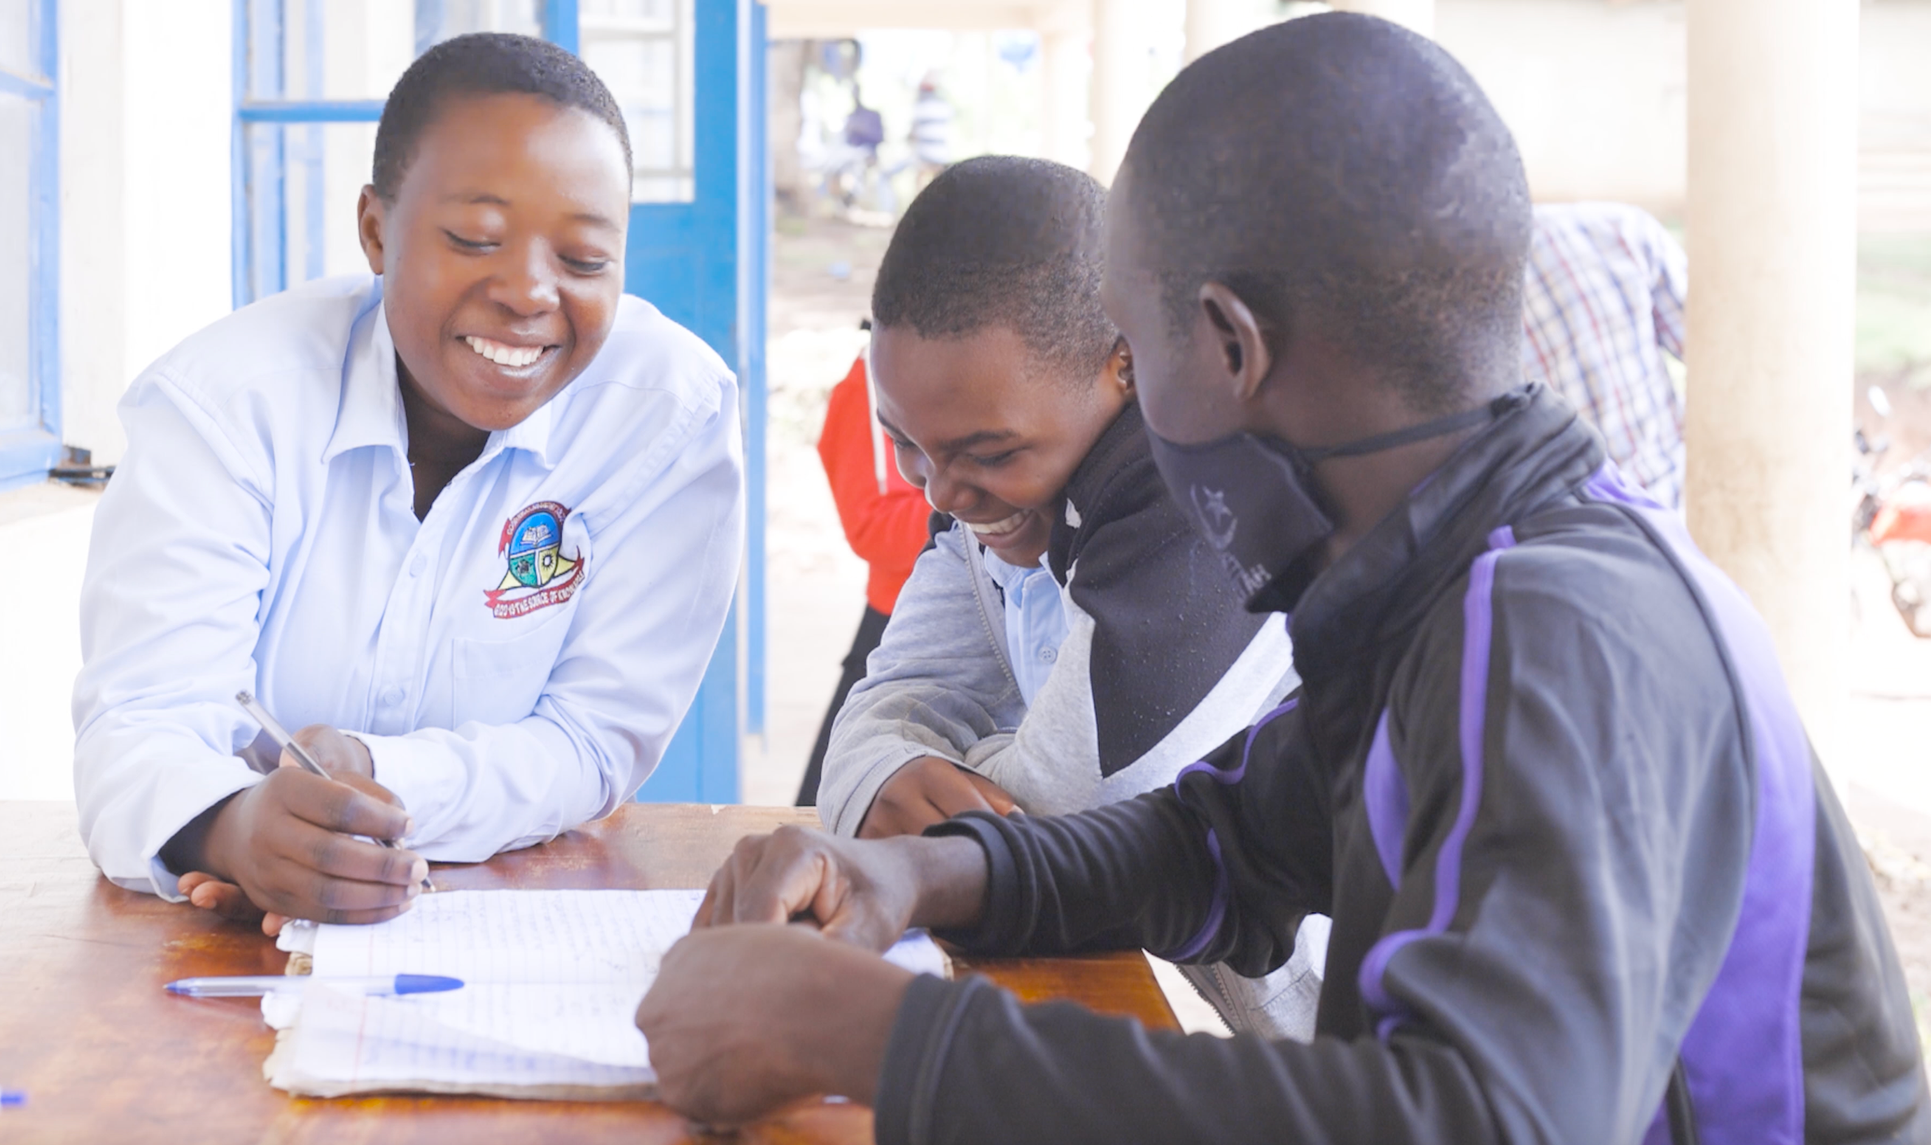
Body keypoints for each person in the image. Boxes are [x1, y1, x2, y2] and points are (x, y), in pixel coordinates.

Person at [635, 15, 1928, 1143]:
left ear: (1229, 347)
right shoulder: (1448, 584)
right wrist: (911, 880)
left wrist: (885, 1037)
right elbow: (1224, 844)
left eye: (1137, 347)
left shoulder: (1552, 631)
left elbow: (1484, 1120)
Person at [72, 34, 743, 929]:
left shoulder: (670, 416)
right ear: (376, 231)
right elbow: (143, 719)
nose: (530, 292)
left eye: (584, 260)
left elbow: (592, 739)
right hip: (224, 947)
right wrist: (231, 830)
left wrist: (369, 780)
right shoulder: (225, 407)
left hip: (508, 930)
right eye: (474, 239)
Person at [816, 156, 1310, 1038]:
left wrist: (944, 799)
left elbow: (1078, 809)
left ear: (1126, 363)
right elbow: (886, 704)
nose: (943, 495)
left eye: (991, 453)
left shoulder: (1198, 495)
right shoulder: (987, 498)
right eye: (908, 447)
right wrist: (884, 771)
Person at [794, 334, 934, 808]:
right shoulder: (882, 369)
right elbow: (874, 524)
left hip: (1020, 622)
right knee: (836, 818)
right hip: (903, 626)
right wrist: (985, 510)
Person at [1523, 201, 1688, 506]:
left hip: (1559, 538)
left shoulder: (1625, 233)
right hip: (1672, 511)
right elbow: (1735, 374)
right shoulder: (1619, 231)